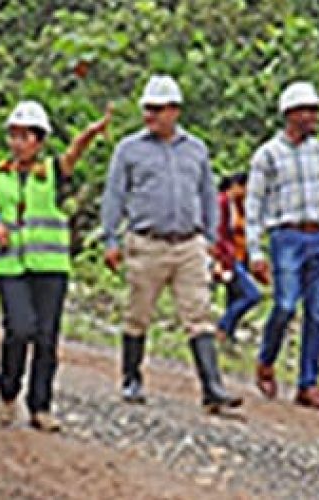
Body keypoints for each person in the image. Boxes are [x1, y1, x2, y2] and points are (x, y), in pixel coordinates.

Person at [100, 74, 242, 412]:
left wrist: (209, 238)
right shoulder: (129, 150)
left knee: (199, 315)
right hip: (146, 242)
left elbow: (208, 195)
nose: (150, 116)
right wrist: (110, 237)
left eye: (157, 109)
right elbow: (115, 195)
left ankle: (212, 388)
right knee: (139, 314)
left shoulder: (196, 149)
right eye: (147, 109)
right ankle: (132, 378)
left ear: (174, 111)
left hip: (188, 244)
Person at [0, 101, 111, 432]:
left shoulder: (51, 172)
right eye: (13, 136)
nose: (17, 143)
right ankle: (8, 392)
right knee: (19, 329)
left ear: (39, 141)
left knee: (46, 337)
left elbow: (74, 153)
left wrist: (91, 133)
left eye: (25, 136)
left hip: (50, 265)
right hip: (11, 265)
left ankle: (40, 406)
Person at [244, 81, 319, 412]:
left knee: (318, 312)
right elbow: (253, 206)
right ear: (290, 114)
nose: (313, 117)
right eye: (307, 111)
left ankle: (308, 383)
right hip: (286, 236)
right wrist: (255, 251)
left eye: (315, 111)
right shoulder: (267, 156)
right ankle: (267, 360)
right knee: (284, 304)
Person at [214, 172, 261, 346]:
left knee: (234, 297)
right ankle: (223, 326)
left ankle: (228, 336)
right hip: (229, 257)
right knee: (252, 295)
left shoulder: (239, 205)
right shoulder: (222, 203)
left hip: (240, 256)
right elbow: (219, 233)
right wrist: (221, 260)